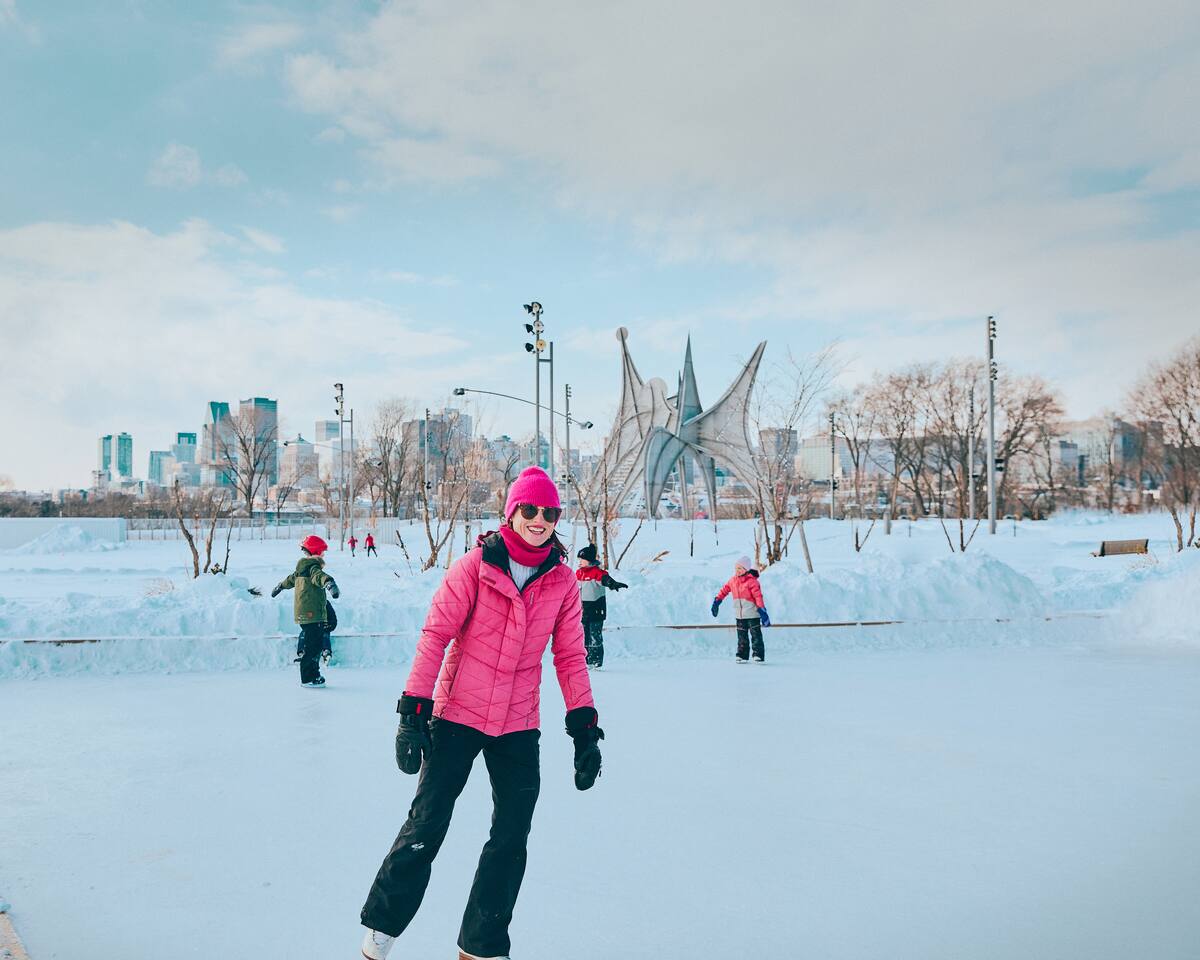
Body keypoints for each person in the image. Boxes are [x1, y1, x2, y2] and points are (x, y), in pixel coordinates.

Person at [359, 467, 602, 960]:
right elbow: (435, 636)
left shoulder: (562, 582)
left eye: (549, 512)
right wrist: (412, 712)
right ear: (511, 512)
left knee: (512, 834)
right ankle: (383, 927)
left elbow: (570, 658)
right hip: (456, 715)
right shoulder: (474, 566)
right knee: (427, 822)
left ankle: (482, 944)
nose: (539, 520)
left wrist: (585, 730)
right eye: (530, 510)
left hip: (518, 723)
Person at [271, 534, 339, 687]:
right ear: (317, 551)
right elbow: (320, 576)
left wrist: (280, 586)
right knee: (313, 648)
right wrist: (330, 583)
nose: (323, 554)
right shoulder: (313, 567)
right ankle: (308, 678)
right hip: (312, 614)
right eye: (323, 551)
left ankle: (313, 675)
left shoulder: (301, 569)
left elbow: (290, 579)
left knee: (313, 645)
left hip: (306, 612)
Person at [575, 543, 628, 670]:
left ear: (590, 561)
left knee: (595, 636)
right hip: (583, 611)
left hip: (596, 611)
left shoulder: (596, 573)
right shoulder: (578, 573)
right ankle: (585, 660)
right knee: (584, 636)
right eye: (579, 559)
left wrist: (612, 584)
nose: (580, 562)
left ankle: (596, 661)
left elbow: (605, 579)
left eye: (582, 559)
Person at [711, 555, 770, 663]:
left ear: (746, 569)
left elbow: (758, 597)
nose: (737, 571)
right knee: (742, 636)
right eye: (736, 568)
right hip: (740, 615)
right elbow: (724, 590)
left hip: (752, 614)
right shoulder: (733, 581)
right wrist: (717, 601)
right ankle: (742, 655)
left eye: (739, 568)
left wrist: (762, 611)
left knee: (755, 635)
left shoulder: (752, 582)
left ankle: (758, 654)